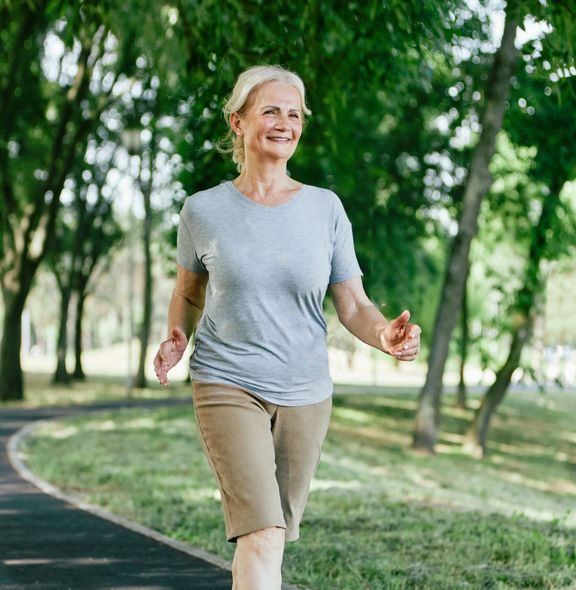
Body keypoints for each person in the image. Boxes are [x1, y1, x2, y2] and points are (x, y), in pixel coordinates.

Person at [153, 64, 421, 590]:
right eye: (270, 110)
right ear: (238, 121)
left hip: (305, 391)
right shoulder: (203, 210)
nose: (284, 122)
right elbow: (188, 292)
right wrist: (176, 337)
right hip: (226, 379)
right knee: (261, 533)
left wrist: (385, 334)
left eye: (294, 114)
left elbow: (352, 303)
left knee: (272, 538)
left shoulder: (325, 209)